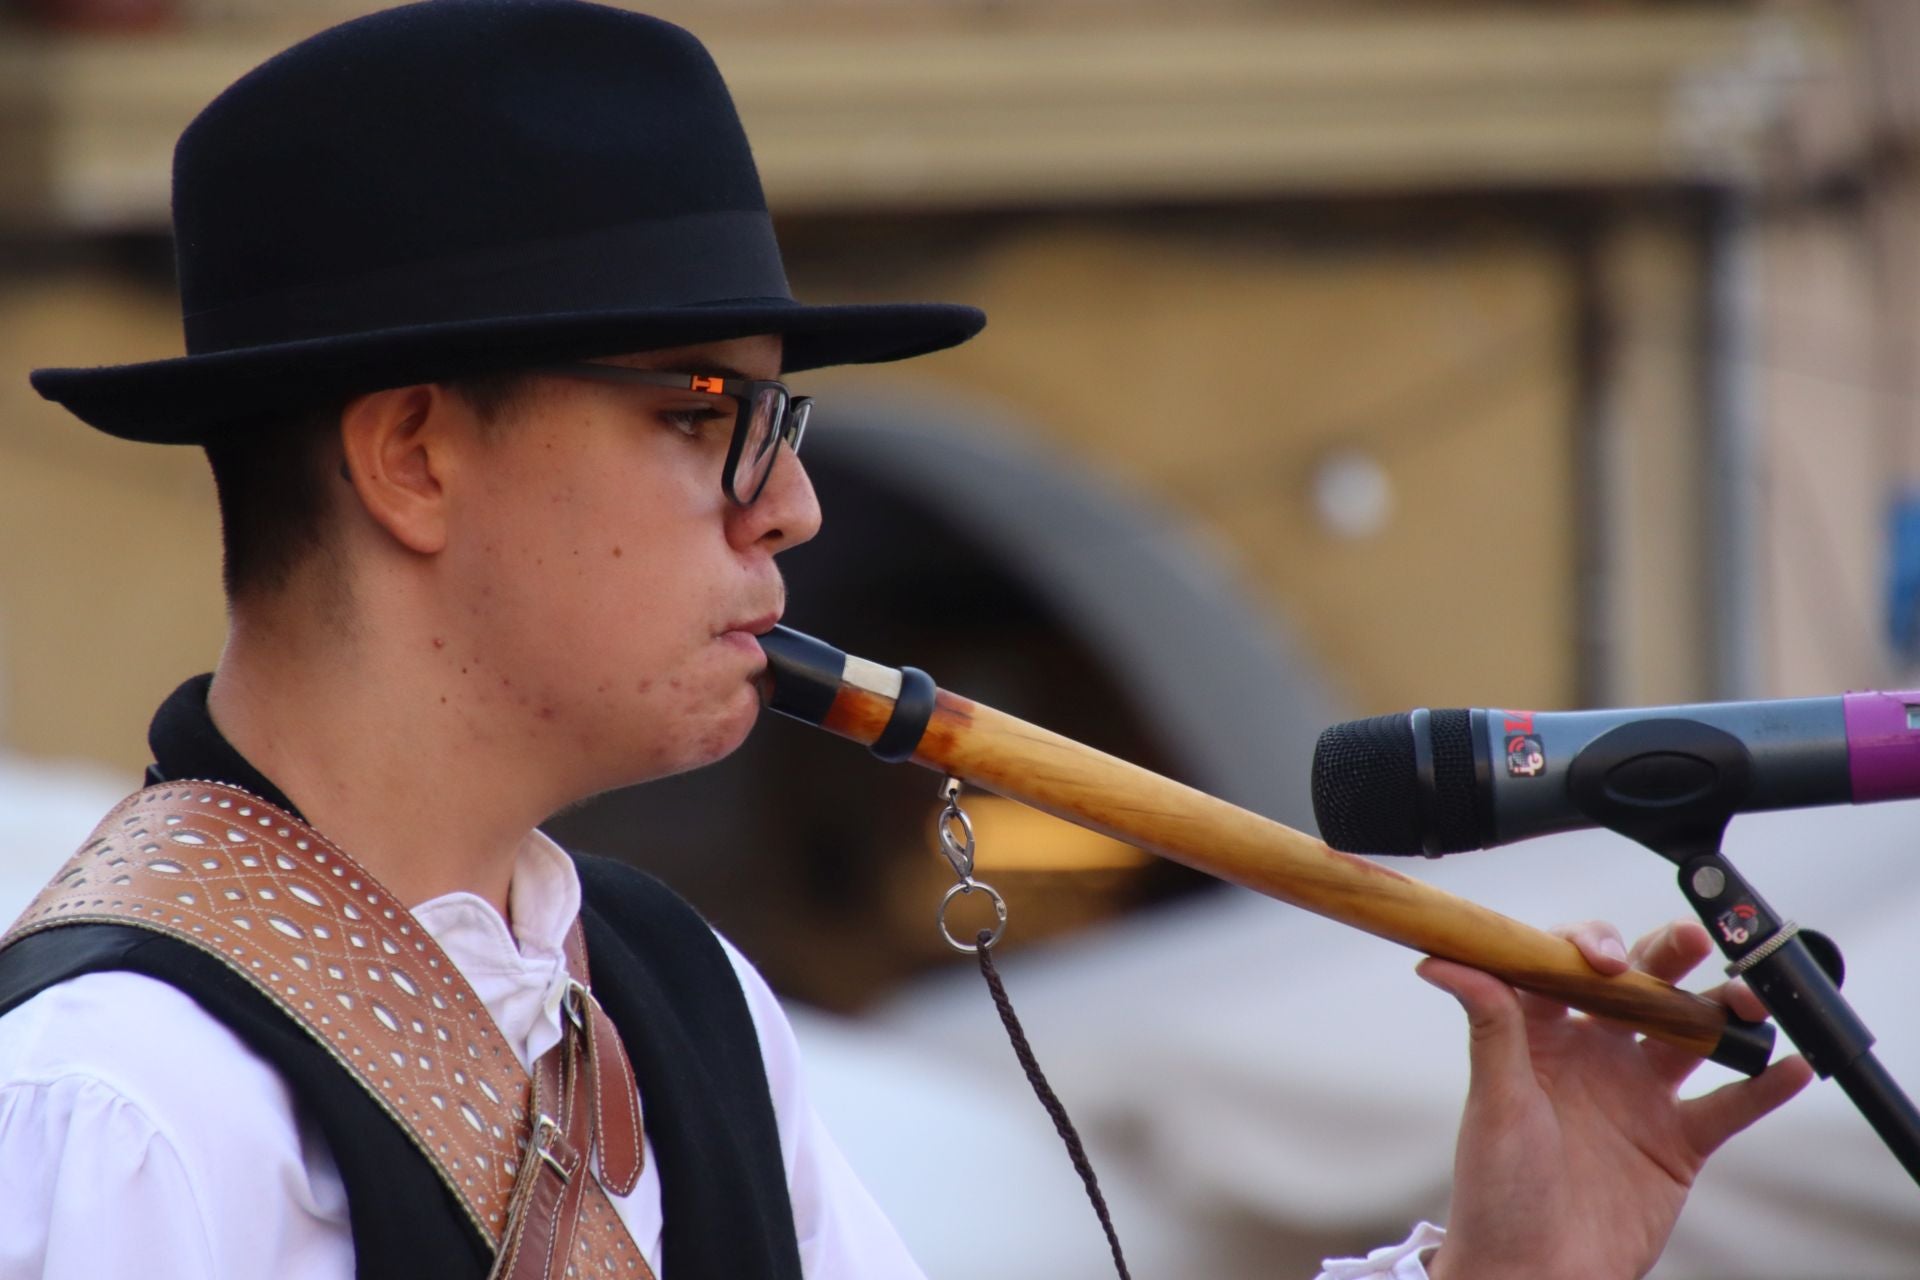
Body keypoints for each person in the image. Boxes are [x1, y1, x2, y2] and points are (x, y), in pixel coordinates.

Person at [0, 3, 1811, 1278]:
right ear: (412, 456)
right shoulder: (116, 1109)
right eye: (707, 411)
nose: (787, 511)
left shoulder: (677, 996)